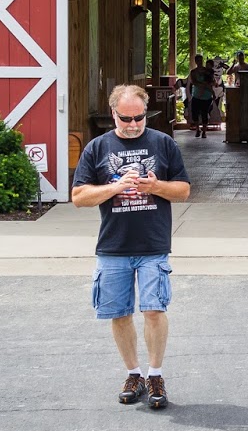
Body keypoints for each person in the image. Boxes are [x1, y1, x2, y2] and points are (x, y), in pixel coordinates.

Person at [70, 84, 193, 410]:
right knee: (119, 314)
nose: (134, 124)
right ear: (114, 114)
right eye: (126, 118)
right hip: (113, 246)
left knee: (154, 310)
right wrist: (116, 187)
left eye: (140, 117)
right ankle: (133, 374)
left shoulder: (162, 143)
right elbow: (79, 197)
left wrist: (156, 186)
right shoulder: (97, 148)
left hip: (153, 244)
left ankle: (155, 375)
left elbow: (183, 190)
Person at [187, 55, 217, 138]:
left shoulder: (207, 71)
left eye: (201, 60)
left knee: (204, 113)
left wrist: (210, 87)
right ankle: (197, 129)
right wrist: (204, 85)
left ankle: (204, 131)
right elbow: (194, 82)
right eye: (198, 60)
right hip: (196, 95)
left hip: (206, 96)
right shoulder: (193, 72)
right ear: (196, 62)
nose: (200, 62)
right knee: (195, 113)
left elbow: (212, 81)